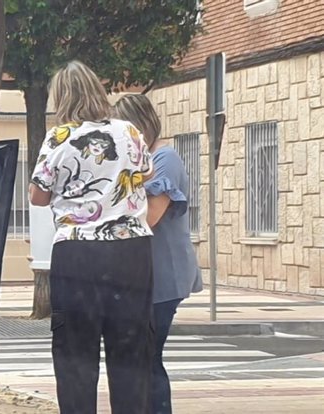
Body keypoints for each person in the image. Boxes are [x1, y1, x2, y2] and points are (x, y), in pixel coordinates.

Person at [29, 60, 155, 414]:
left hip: (78, 251)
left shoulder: (60, 137)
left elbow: (37, 196)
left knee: (75, 351)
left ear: (62, 98)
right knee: (131, 347)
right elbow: (148, 172)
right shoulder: (129, 131)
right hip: (132, 249)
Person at [114, 93, 203, 414]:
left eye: (125, 128)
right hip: (146, 276)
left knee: (148, 356)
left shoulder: (164, 159)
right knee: (142, 357)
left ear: (140, 125)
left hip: (163, 275)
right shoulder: (141, 160)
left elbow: (150, 216)